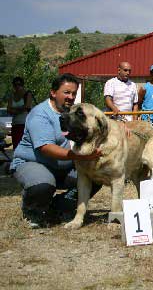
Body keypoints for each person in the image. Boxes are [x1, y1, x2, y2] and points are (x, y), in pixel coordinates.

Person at [9, 74, 101, 228]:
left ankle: (59, 205)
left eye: (73, 93)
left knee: (97, 176)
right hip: (34, 162)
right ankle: (31, 207)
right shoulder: (40, 113)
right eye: (66, 92)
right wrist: (79, 155)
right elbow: (46, 148)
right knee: (43, 185)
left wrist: (123, 127)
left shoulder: (74, 112)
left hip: (64, 166)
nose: (71, 97)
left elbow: (99, 120)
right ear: (53, 92)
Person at [7, 76, 34, 148]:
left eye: (19, 84)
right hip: (15, 124)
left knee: (25, 147)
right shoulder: (11, 95)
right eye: (15, 85)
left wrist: (14, 109)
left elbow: (27, 106)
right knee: (16, 147)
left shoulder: (27, 94)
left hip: (25, 125)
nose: (17, 86)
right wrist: (21, 108)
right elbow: (8, 110)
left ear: (22, 85)